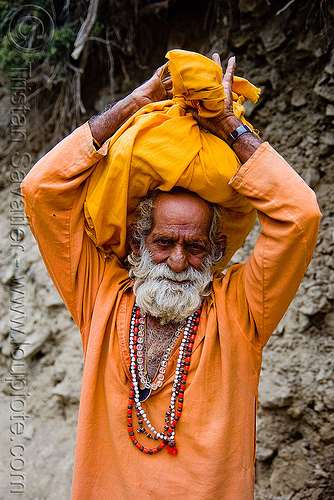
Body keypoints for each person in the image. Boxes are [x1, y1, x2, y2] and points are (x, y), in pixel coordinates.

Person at [21, 51, 321, 499]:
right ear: (139, 243)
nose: (178, 261)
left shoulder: (240, 311)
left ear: (216, 250)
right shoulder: (100, 297)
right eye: (164, 242)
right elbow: (40, 191)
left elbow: (300, 216)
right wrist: (131, 106)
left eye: (195, 246)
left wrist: (228, 128)